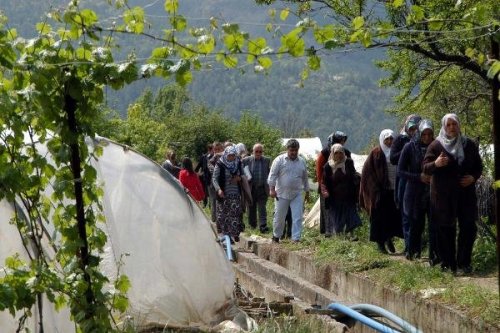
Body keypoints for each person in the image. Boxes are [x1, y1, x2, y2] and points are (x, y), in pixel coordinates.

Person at [423, 113, 483, 273]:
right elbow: (425, 167)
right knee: (445, 229)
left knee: (468, 227)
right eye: (448, 125)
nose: (452, 128)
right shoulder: (436, 145)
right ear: (444, 126)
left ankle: (464, 262)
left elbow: (478, 167)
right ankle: (448, 263)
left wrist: (473, 177)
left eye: (454, 124)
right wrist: (436, 163)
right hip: (444, 195)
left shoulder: (468, 144)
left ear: (459, 125)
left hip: (465, 194)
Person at [397, 120, 437, 262]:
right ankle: (413, 253)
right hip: (414, 192)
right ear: (419, 133)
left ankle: (434, 256)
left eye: (429, 134)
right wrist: (419, 177)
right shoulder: (410, 147)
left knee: (434, 225)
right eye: (424, 133)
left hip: (433, 192)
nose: (426, 137)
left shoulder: (437, 147)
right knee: (415, 224)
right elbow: (400, 171)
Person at [360, 129, 402, 253]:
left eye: (391, 139)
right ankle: (380, 244)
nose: (389, 142)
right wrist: (375, 190)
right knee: (379, 218)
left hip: (394, 190)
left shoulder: (397, 152)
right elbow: (367, 172)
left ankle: (389, 238)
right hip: (380, 192)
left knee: (392, 217)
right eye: (386, 139)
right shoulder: (376, 153)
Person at [268, 139, 310, 243]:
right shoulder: (279, 160)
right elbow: (272, 176)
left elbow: (305, 178)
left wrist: (307, 192)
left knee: (297, 217)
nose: (294, 152)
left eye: (296, 150)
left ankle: (296, 238)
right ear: (287, 149)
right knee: (279, 217)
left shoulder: (302, 161)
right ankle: (276, 236)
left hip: (297, 194)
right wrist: (272, 190)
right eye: (292, 150)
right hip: (281, 194)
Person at [390, 114, 421, 253]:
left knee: (418, 215)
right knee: (406, 213)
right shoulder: (401, 139)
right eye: (412, 127)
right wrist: (407, 149)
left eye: (417, 128)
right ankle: (409, 247)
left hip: (420, 180)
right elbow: (393, 159)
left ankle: (416, 247)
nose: (414, 131)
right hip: (404, 179)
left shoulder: (423, 140)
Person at [321, 144, 361, 238]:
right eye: (336, 153)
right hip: (335, 197)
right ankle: (339, 236)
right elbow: (324, 181)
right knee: (337, 217)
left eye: (340, 153)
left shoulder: (348, 162)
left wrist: (357, 178)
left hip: (348, 195)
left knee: (350, 214)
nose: (338, 155)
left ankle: (352, 235)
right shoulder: (328, 166)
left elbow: (353, 174)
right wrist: (325, 192)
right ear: (332, 154)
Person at [316, 131, 350, 235]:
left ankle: (339, 231)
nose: (343, 142)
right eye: (341, 140)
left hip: (342, 187)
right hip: (326, 185)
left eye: (343, 140)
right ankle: (327, 231)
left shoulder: (346, 152)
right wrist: (321, 184)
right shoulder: (325, 152)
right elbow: (319, 169)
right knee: (327, 208)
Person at [212, 146, 245, 242]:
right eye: (230, 155)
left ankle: (234, 234)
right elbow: (214, 178)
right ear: (226, 154)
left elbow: (243, 176)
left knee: (234, 214)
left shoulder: (238, 163)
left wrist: (239, 178)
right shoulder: (220, 164)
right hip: (223, 193)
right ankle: (227, 236)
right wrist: (218, 189)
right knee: (224, 215)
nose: (231, 157)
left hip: (235, 193)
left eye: (233, 155)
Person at [242, 143, 271, 232]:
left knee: (262, 208)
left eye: (260, 151)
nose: (258, 153)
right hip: (251, 188)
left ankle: (263, 225)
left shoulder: (267, 160)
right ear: (253, 151)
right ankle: (252, 225)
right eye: (256, 151)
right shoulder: (246, 160)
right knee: (251, 207)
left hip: (262, 188)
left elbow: (270, 173)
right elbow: (241, 170)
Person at [207, 141, 224, 222]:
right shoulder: (210, 159)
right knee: (214, 203)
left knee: (222, 203)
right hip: (213, 184)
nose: (217, 151)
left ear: (222, 149)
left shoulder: (225, 158)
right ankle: (214, 221)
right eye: (215, 149)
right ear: (213, 149)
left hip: (224, 184)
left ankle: (222, 220)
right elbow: (213, 171)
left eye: (219, 149)